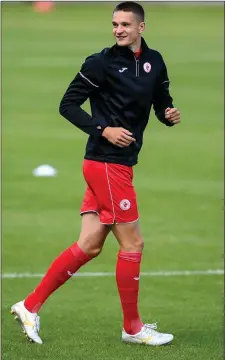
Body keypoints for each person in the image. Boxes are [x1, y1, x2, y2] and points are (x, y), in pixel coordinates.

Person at [11, 1, 180, 346]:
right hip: (105, 163)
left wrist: (168, 113)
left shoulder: (155, 61)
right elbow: (68, 105)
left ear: (140, 28)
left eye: (125, 24)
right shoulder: (100, 63)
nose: (118, 29)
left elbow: (160, 99)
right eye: (114, 24)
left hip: (120, 165)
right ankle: (132, 328)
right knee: (133, 243)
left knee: (88, 245)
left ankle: (29, 306)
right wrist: (103, 129)